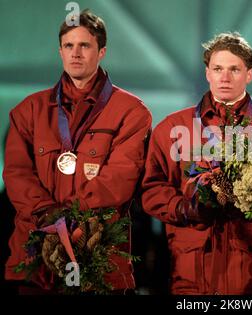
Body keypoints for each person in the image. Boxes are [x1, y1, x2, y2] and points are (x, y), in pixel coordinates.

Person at [2, 9, 152, 294]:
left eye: (85, 45)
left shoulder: (131, 112)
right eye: (69, 46)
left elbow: (119, 181)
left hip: (99, 260)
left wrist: (70, 218)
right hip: (35, 262)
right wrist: (47, 214)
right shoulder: (28, 111)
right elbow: (16, 174)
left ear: (102, 51)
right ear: (60, 51)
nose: (76, 53)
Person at [141, 32, 252, 294]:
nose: (225, 77)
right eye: (218, 69)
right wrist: (186, 208)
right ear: (207, 73)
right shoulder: (172, 128)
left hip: (251, 277)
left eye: (234, 69)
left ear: (249, 74)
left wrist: (247, 203)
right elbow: (152, 188)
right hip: (189, 276)